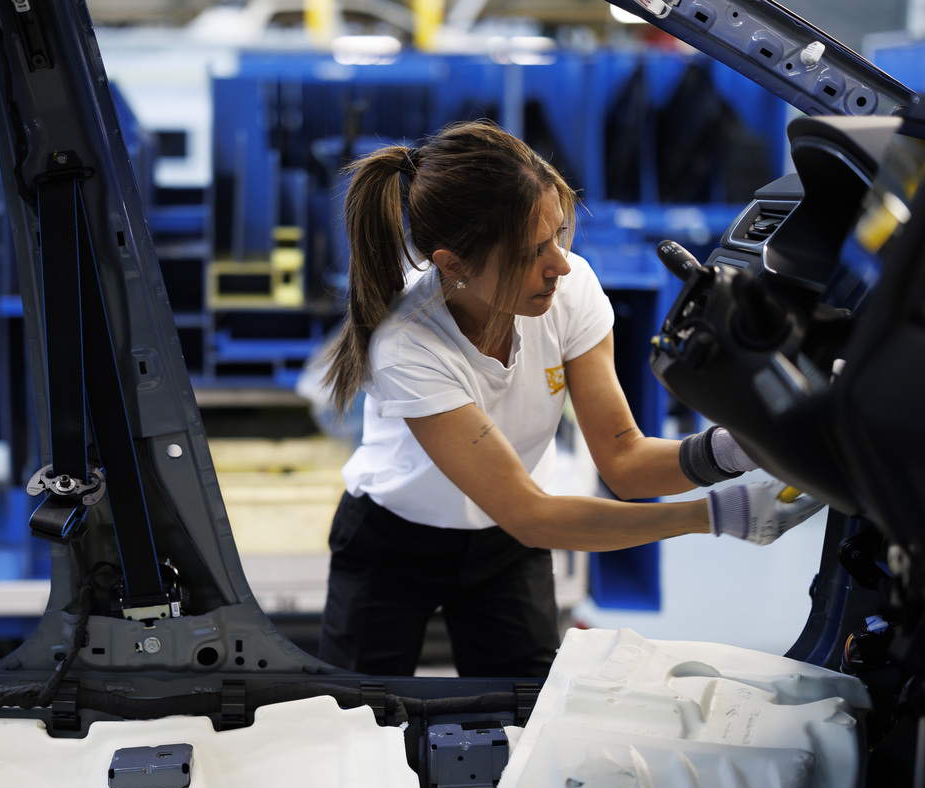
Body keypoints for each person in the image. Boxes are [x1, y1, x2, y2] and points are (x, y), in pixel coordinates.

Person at [315, 120, 822, 679]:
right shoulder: (408, 345)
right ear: (453, 265)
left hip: (503, 549)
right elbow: (532, 515)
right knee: (363, 715)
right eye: (532, 252)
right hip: (394, 544)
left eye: (558, 234)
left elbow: (624, 460)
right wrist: (717, 515)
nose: (559, 263)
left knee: (522, 713)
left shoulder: (569, 287)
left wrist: (737, 448)